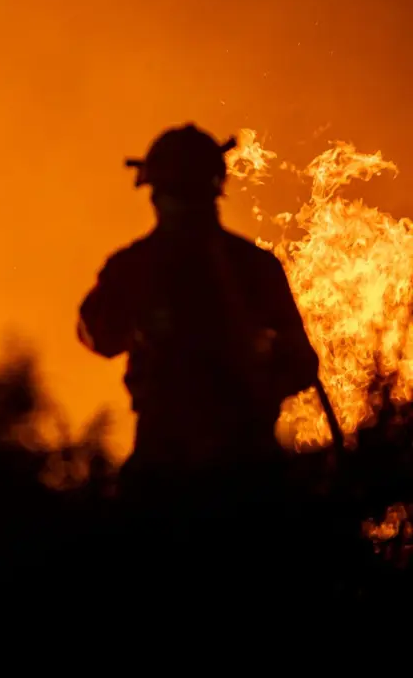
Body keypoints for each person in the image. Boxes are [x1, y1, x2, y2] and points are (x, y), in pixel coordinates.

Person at [77, 124, 322, 605]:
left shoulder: (240, 268)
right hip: (202, 468)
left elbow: (300, 362)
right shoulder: (148, 268)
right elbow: (95, 332)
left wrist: (259, 371)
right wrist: (139, 326)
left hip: (227, 469)